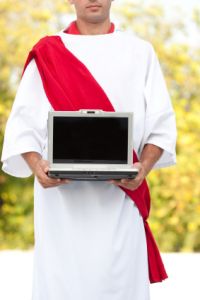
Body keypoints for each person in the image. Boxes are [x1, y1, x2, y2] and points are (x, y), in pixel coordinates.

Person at [1, 0, 177, 299]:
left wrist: (142, 169)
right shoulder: (48, 52)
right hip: (62, 209)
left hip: (120, 202)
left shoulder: (140, 51)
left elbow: (161, 127)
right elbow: (23, 128)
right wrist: (37, 166)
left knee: (120, 286)